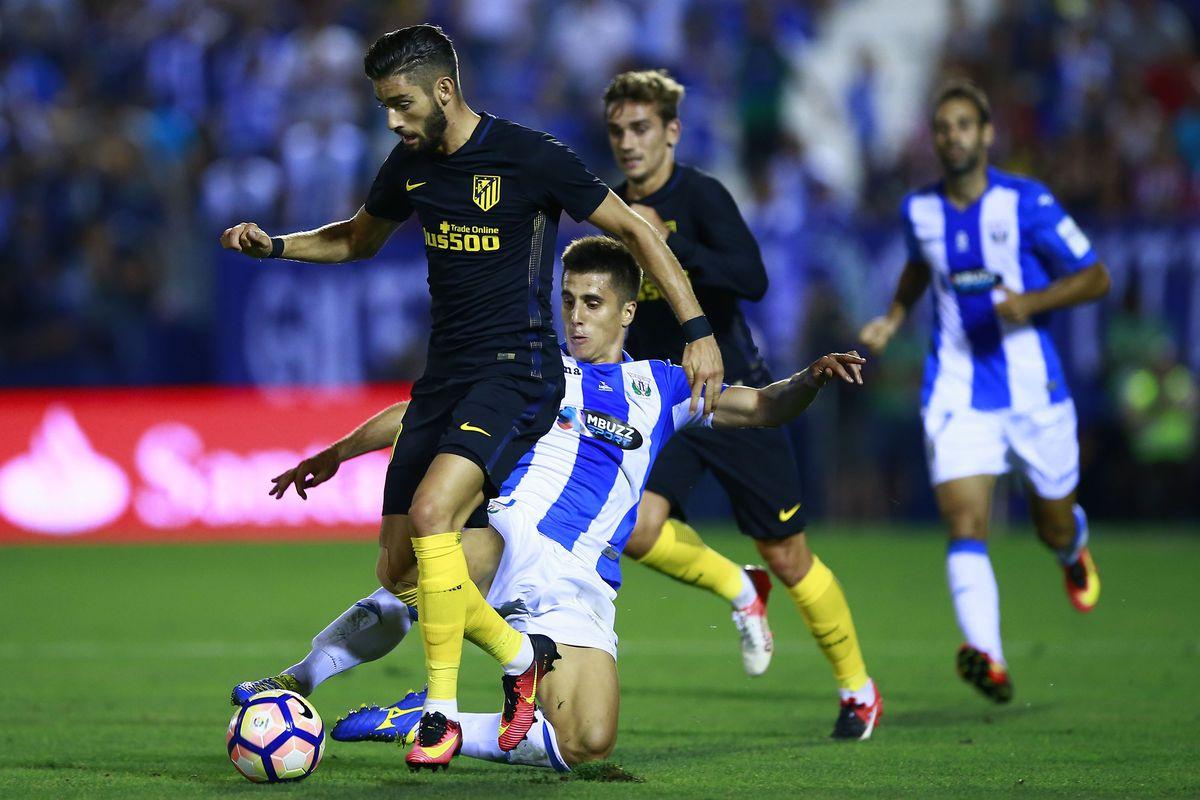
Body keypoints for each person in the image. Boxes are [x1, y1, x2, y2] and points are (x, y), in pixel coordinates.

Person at [219, 26, 723, 769]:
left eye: (400, 104)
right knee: (403, 571)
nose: (391, 119)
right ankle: (323, 675)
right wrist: (279, 246)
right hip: (445, 377)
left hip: (516, 369)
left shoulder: (529, 157)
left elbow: (635, 230)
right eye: (384, 106)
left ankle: (448, 710)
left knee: (432, 515)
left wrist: (698, 328)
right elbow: (359, 239)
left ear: (444, 92)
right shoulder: (410, 167)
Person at [232, 236, 868, 770]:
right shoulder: (533, 371)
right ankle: (302, 678)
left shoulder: (664, 386)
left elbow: (763, 406)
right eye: (567, 301)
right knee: (425, 568)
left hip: (582, 582)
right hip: (510, 539)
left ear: (625, 312)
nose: (576, 316)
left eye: (592, 303)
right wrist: (336, 453)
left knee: (588, 743)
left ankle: (410, 720)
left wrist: (809, 378)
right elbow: (420, 415)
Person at [601, 69, 880, 737]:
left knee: (788, 555)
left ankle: (857, 688)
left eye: (640, 129)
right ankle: (737, 586)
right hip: (662, 400)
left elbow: (750, 278)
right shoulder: (608, 205)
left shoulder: (700, 197)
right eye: (617, 131)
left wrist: (671, 245)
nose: (628, 143)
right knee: (635, 530)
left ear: (671, 131)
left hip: (732, 393)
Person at [858, 80, 1110, 703]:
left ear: (987, 133)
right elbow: (920, 265)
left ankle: (1072, 547)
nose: (952, 137)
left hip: (1034, 392)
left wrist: (1034, 301)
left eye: (964, 125)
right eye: (942, 128)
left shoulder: (1028, 202)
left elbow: (1096, 276)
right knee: (965, 520)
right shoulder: (920, 210)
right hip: (956, 392)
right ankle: (988, 656)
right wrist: (893, 316)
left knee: (1051, 524)